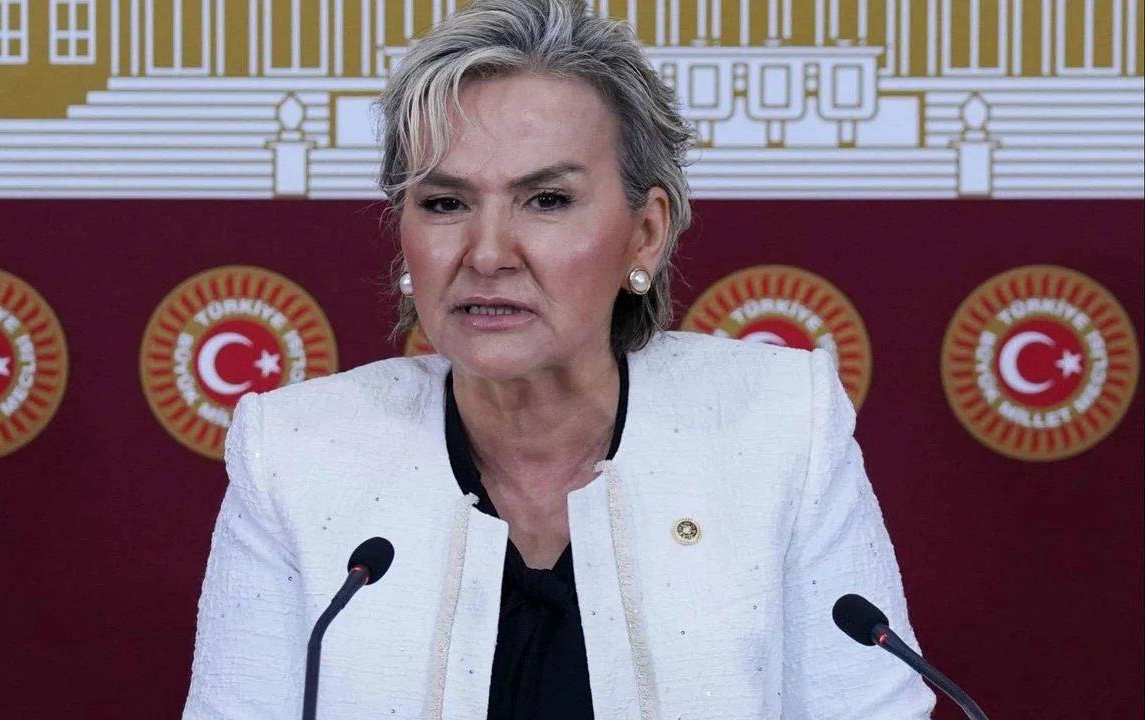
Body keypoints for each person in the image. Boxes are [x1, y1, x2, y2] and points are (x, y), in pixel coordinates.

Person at [182, 1, 936, 717]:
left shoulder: (779, 425)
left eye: (546, 200)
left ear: (645, 233)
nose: (486, 253)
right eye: (445, 203)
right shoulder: (295, 454)